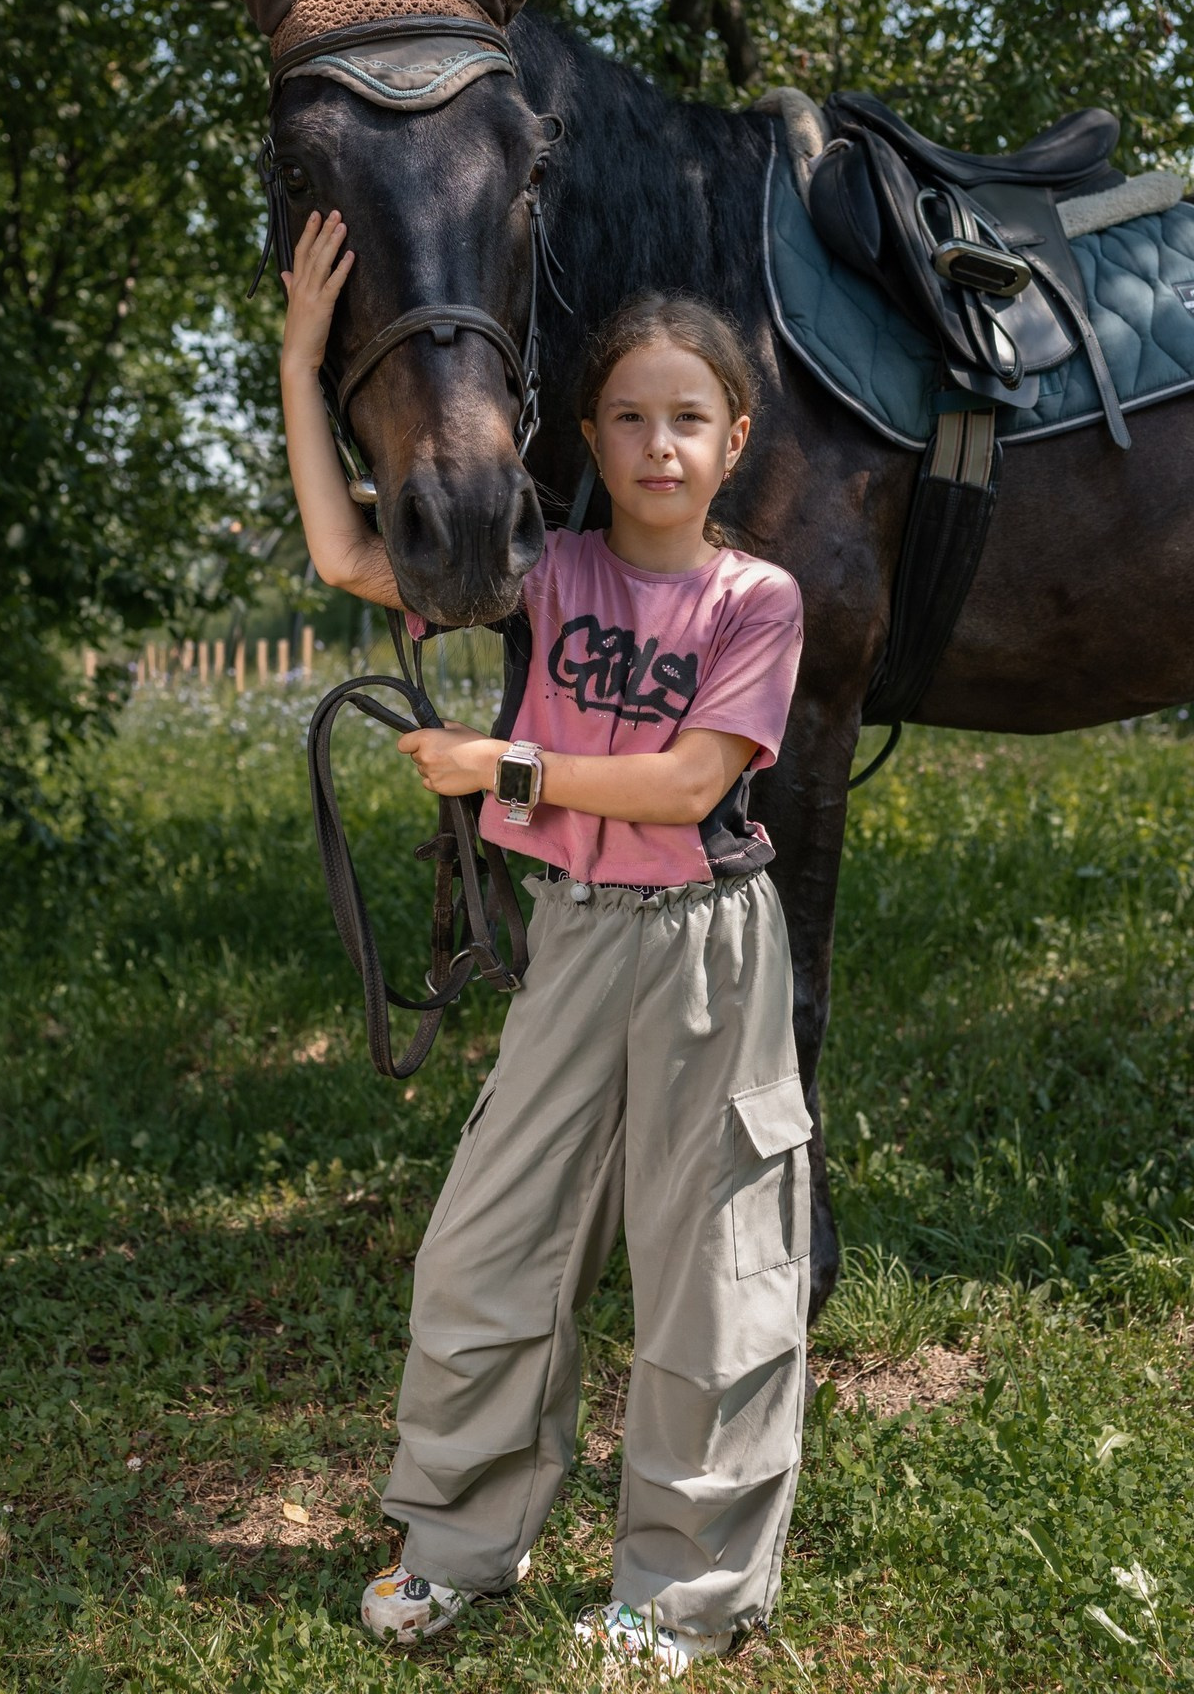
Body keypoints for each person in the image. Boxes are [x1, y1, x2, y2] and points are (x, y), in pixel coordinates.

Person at [279, 207, 811, 1677]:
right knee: (487, 1248)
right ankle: (460, 1542)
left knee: (712, 1271)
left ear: (733, 436)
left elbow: (695, 783)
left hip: (710, 948)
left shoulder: (754, 600)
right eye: (630, 417)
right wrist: (301, 355)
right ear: (584, 430)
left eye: (687, 419)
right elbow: (341, 549)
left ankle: (685, 1593)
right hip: (576, 938)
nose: (657, 445)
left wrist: (498, 770)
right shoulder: (548, 574)